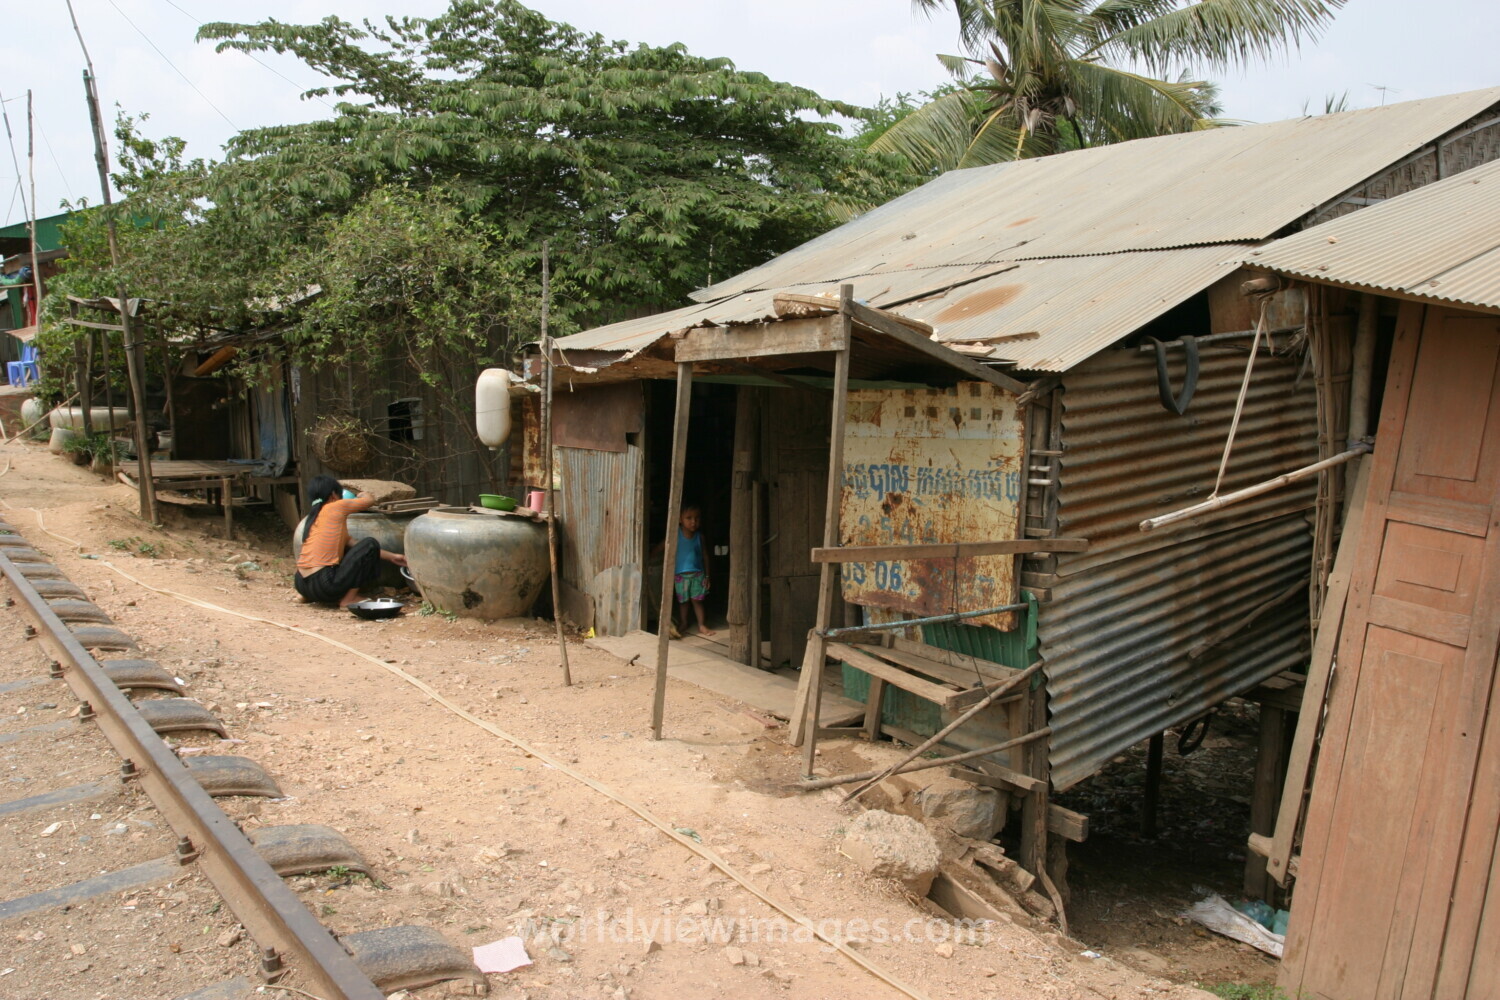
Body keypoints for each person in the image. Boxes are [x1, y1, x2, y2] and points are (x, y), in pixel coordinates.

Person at [294, 475, 407, 608]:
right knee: (370, 543)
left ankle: (306, 595)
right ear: (333, 495)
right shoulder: (334, 506)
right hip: (324, 584)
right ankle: (349, 598)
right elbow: (368, 501)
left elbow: (355, 545)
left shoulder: (312, 518)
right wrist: (362, 493)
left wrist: (393, 556)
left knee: (363, 548)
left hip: (301, 583)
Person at [673, 504, 714, 637]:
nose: (693, 522)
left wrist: (707, 576)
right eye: (689, 518)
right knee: (683, 602)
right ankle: (684, 623)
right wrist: (650, 557)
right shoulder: (675, 535)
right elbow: (663, 547)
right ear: (680, 519)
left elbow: (705, 556)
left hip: (698, 574)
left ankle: (701, 625)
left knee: (697, 601)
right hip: (680, 576)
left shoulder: (699, 537)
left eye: (697, 518)